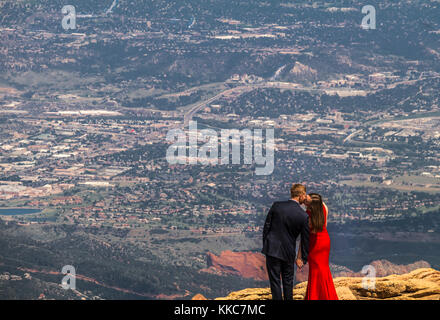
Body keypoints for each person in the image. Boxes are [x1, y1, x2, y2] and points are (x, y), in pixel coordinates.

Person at [262, 183, 310, 300]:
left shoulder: (277, 206)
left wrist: (266, 244)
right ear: (301, 195)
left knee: (275, 282)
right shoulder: (303, 216)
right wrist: (303, 257)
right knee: (288, 282)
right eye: (305, 195)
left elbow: (266, 227)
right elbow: (305, 239)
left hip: (272, 249)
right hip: (288, 252)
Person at [297, 193, 338, 300]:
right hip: (324, 241)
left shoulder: (308, 216)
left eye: (306, 201)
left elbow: (304, 237)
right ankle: (327, 295)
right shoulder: (323, 207)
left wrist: (299, 256)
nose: (305, 200)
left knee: (315, 272)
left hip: (315, 244)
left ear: (311, 206)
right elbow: (325, 225)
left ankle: (316, 296)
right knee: (324, 269)